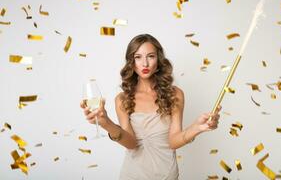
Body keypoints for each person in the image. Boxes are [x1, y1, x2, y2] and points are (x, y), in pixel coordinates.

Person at [80, 34, 221, 180]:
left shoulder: (175, 94)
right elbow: (131, 143)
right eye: (138, 57)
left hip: (167, 175)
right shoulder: (122, 99)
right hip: (132, 175)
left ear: (159, 60)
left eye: (151, 56)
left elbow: (173, 141)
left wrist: (197, 128)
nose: (145, 63)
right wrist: (105, 123)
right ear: (131, 62)